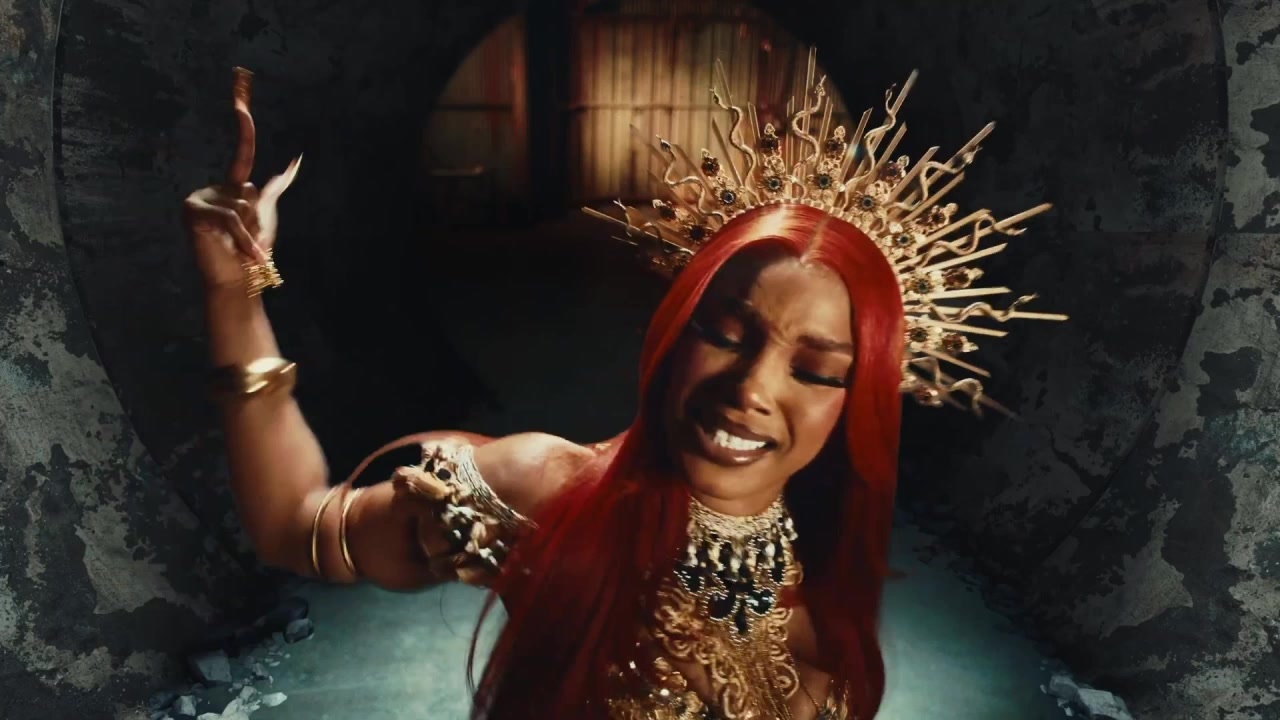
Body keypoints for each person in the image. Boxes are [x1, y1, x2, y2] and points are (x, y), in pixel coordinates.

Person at [183, 57, 1063, 720]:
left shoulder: (828, 573)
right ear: (675, 334)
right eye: (727, 335)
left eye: (814, 370)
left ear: (853, 401)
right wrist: (233, 295)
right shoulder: (543, 492)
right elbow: (296, 525)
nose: (751, 388)